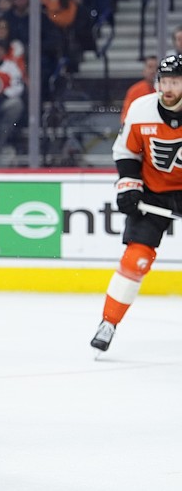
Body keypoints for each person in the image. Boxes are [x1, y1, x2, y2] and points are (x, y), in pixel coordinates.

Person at [90, 54, 182, 353]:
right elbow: (126, 151)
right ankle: (108, 323)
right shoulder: (142, 109)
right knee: (135, 260)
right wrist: (129, 185)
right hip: (154, 192)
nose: (168, 88)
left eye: (175, 82)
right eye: (165, 81)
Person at [121, 56, 158, 124]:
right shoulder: (134, 91)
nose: (153, 71)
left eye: (156, 68)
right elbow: (125, 116)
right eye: (150, 67)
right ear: (144, 71)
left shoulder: (166, 91)